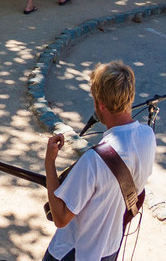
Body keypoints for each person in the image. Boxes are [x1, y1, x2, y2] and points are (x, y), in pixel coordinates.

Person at [42, 61, 156, 261]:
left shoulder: (93, 161)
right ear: (130, 96)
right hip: (110, 248)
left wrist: (49, 163)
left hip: (74, 252)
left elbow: (60, 218)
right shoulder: (148, 136)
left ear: (100, 105)